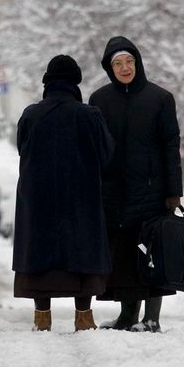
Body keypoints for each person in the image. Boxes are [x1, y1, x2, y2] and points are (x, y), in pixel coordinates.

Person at [13, 54, 114, 332]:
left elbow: (21, 148)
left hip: (38, 199)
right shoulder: (89, 116)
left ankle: (42, 316)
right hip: (80, 200)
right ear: (75, 83)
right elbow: (107, 155)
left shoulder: (31, 115)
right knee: (81, 255)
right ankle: (83, 315)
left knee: (40, 255)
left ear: (47, 82)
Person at [89, 36, 183, 333]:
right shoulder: (99, 100)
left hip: (152, 192)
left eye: (129, 61)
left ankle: (152, 318)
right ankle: (128, 316)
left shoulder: (160, 99)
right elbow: (94, 148)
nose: (125, 67)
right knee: (126, 256)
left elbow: (171, 146)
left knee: (153, 253)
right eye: (118, 63)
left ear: (138, 63)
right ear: (109, 67)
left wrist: (173, 192)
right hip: (114, 193)